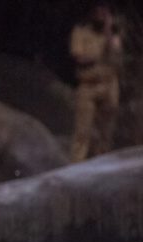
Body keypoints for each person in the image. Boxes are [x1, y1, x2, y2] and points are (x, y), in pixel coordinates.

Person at [70, 4, 125, 161]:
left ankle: (102, 163)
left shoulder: (113, 35)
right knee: (82, 131)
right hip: (88, 85)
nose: (101, 15)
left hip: (109, 86)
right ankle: (76, 164)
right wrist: (98, 55)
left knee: (105, 133)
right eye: (98, 11)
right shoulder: (81, 32)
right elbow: (79, 57)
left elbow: (115, 56)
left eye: (105, 12)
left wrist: (108, 30)